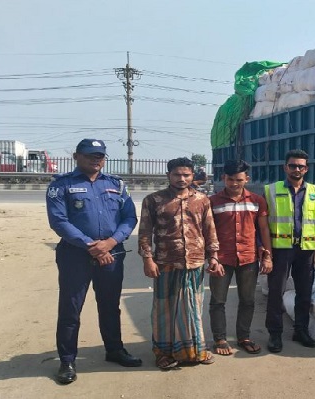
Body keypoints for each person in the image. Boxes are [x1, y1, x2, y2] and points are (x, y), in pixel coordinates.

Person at [46, 138, 141, 385]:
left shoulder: (116, 184)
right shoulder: (62, 185)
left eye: (99, 155)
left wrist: (110, 243)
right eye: (89, 155)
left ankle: (115, 350)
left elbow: (129, 217)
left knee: (110, 305)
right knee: (70, 308)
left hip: (111, 253)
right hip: (75, 255)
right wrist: (93, 246)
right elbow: (59, 221)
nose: (95, 159)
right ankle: (67, 360)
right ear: (76, 156)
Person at [138, 157, 220, 369]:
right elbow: (145, 232)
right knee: (164, 309)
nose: (181, 179)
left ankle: (194, 351)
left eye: (186, 175)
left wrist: (214, 256)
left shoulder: (202, 200)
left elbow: (209, 229)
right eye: (177, 174)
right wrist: (148, 258)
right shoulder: (154, 200)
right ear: (168, 175)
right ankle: (163, 352)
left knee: (193, 308)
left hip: (195, 263)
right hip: (166, 262)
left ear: (193, 176)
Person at [264, 149, 315, 353]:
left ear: (306, 169)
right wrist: (265, 251)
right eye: (293, 165)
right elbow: (263, 223)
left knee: (304, 293)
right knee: (276, 292)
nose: (297, 169)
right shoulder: (270, 190)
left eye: (301, 166)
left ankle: (301, 330)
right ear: (285, 167)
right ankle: (275, 334)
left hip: (306, 249)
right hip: (281, 249)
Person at [208, 159, 273, 356]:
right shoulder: (213, 202)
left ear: (247, 179)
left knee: (248, 300)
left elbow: (263, 229)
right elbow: (207, 231)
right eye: (230, 179)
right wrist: (212, 258)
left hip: (248, 258)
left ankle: (243, 336)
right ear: (223, 178)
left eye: (238, 179)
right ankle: (219, 338)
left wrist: (267, 256)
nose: (234, 184)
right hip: (222, 259)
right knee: (218, 301)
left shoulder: (256, 201)